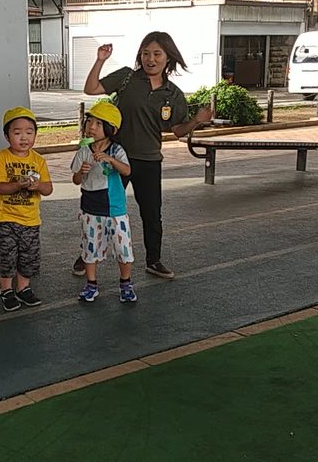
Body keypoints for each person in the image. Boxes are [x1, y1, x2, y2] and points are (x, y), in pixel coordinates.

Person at [75, 32, 215, 280]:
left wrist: (196, 121)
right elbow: (91, 88)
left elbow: (177, 130)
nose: (150, 59)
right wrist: (100, 60)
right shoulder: (127, 77)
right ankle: (86, 257)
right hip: (116, 157)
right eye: (146, 53)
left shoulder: (173, 94)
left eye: (157, 53)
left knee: (151, 212)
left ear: (168, 57)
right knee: (102, 207)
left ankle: (154, 260)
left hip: (149, 160)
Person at [0, 107, 53, 311]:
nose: (24, 137)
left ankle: (23, 288)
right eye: (17, 133)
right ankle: (6, 290)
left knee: (28, 256)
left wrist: (38, 186)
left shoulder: (38, 160)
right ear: (7, 136)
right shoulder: (0, 158)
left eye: (29, 132)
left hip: (31, 220)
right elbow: (0, 187)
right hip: (5, 217)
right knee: (6, 255)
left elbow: (48, 188)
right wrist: (19, 184)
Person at [70, 102, 135, 303]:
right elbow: (75, 179)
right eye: (90, 121)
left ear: (111, 129)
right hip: (90, 207)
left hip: (115, 208)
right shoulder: (84, 150)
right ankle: (91, 285)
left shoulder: (116, 149)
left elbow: (127, 171)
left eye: (99, 123)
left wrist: (110, 160)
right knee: (90, 248)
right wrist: (82, 172)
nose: (92, 127)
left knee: (123, 247)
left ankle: (126, 283)